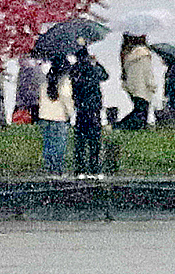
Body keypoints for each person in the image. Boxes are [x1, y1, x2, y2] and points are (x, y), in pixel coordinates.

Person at [68, 45, 109, 179]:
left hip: (81, 108)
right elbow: (105, 76)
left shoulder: (74, 69)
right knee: (94, 140)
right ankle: (95, 168)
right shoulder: (93, 68)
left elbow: (73, 85)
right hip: (94, 108)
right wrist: (96, 62)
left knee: (80, 140)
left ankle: (80, 169)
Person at [36, 53, 75, 176]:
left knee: (48, 144)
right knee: (59, 145)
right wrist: (71, 113)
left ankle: (49, 169)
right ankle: (58, 170)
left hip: (45, 116)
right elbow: (66, 97)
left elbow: (41, 99)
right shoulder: (64, 81)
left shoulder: (46, 80)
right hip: (60, 117)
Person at [116, 34, 158, 129]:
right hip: (143, 87)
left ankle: (122, 126)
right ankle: (119, 126)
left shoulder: (128, 54)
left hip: (132, 86)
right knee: (142, 112)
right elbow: (147, 73)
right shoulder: (144, 55)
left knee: (139, 110)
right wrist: (152, 85)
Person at [12, 57, 44, 125]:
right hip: (31, 70)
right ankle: (31, 117)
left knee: (27, 95)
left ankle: (26, 116)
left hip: (28, 70)